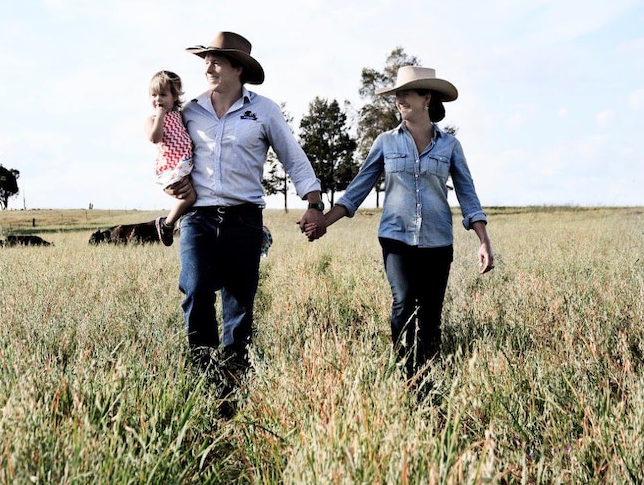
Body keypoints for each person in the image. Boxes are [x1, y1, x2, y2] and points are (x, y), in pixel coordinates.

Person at [301, 66, 494, 380]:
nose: (399, 99)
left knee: (430, 317)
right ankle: (403, 373)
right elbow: (357, 189)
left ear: (426, 98)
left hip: (437, 241)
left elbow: (468, 194)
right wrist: (324, 222)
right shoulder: (386, 143)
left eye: (406, 92)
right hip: (396, 239)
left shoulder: (450, 146)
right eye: (397, 94)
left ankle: (427, 380)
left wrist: (483, 241)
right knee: (403, 303)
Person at [166, 31, 325, 386]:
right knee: (195, 290)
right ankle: (205, 375)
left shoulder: (263, 110)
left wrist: (313, 203)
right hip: (199, 218)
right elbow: (170, 153)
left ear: (238, 68)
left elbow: (293, 158)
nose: (208, 66)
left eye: (216, 60)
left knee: (239, 303)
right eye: (206, 59)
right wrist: (172, 182)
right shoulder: (190, 111)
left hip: (244, 219)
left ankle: (235, 377)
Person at [144, 70, 196, 246]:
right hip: (169, 169)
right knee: (189, 198)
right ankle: (167, 224)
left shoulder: (179, 116)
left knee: (194, 192)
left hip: (183, 164)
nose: (158, 99)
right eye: (154, 95)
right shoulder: (152, 119)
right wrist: (159, 117)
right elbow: (154, 138)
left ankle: (181, 221)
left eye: (163, 95)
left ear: (175, 96)